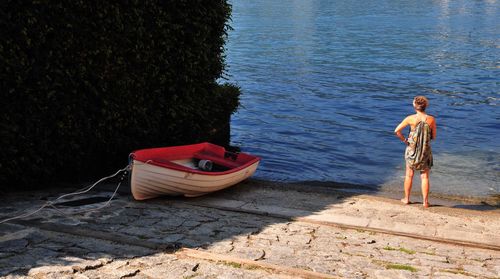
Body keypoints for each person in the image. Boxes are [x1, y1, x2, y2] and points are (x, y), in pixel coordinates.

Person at [394, 96, 437, 208]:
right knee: (425, 177)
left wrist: (405, 140)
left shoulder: (410, 118)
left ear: (414, 106)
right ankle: (425, 202)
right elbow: (433, 136)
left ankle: (407, 199)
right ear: (426, 106)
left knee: (409, 175)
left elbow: (397, 131)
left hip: (412, 150)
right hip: (425, 151)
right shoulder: (431, 119)